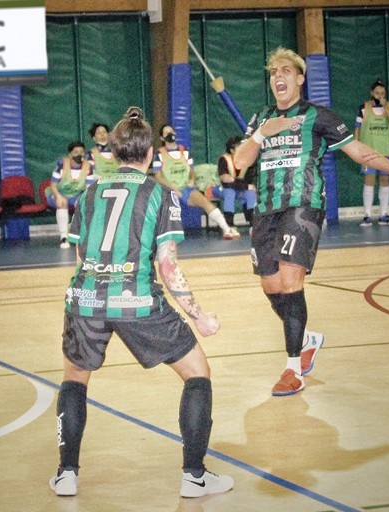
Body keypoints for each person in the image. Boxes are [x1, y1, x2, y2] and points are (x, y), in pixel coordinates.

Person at [51, 106, 234, 499]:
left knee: (73, 380)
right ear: (150, 154)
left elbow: (83, 258)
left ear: (113, 154)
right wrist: (198, 315)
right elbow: (167, 266)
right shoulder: (161, 194)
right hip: (138, 302)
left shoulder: (89, 193)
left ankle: (67, 474)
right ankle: (194, 476)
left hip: (84, 299)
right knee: (197, 374)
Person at [233, 47, 389, 396]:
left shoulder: (319, 116)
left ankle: (293, 370)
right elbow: (240, 162)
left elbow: (360, 151)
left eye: (286, 71)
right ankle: (307, 339)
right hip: (266, 211)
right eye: (274, 72)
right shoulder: (261, 117)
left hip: (302, 207)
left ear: (300, 78)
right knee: (271, 287)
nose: (278, 77)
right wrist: (262, 133)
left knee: (290, 282)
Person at [152, 124, 240, 239]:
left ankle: (226, 229)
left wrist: (192, 179)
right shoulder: (159, 154)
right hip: (168, 190)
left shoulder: (185, 151)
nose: (170, 135)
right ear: (162, 138)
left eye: (171, 131)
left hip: (186, 189)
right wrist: (173, 188)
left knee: (204, 201)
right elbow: (158, 177)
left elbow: (192, 171)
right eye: (166, 133)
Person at [355, 79, 389, 226]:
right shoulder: (364, 107)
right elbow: (357, 128)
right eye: (377, 93)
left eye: (382, 93)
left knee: (385, 180)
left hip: (386, 149)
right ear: (371, 93)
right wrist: (357, 148)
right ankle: (367, 215)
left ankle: (383, 214)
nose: (380, 95)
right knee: (369, 180)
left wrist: (387, 111)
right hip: (369, 151)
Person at [46, 141, 96, 249]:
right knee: (62, 202)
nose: (79, 154)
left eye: (82, 152)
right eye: (76, 152)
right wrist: (58, 196)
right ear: (70, 154)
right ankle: (64, 237)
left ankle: (82, 236)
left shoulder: (89, 167)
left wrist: (82, 200)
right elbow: (53, 185)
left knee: (85, 203)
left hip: (76, 195)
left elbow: (89, 189)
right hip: (57, 193)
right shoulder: (61, 164)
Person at [212, 135, 257, 230]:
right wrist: (244, 185)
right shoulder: (224, 160)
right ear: (232, 150)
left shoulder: (248, 160)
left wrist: (242, 185)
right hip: (221, 188)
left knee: (250, 193)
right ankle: (229, 224)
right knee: (230, 192)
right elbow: (225, 179)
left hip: (239, 188)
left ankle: (253, 222)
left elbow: (249, 181)